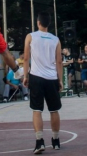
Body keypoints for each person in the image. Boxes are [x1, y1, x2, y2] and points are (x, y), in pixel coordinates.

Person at [23, 12, 63, 154]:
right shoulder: (55, 39)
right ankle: (56, 140)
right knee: (54, 110)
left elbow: (26, 58)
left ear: (38, 22)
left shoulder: (31, 36)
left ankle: (39, 141)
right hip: (52, 77)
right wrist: (60, 79)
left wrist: (25, 75)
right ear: (49, 23)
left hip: (36, 76)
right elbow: (59, 61)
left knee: (37, 110)